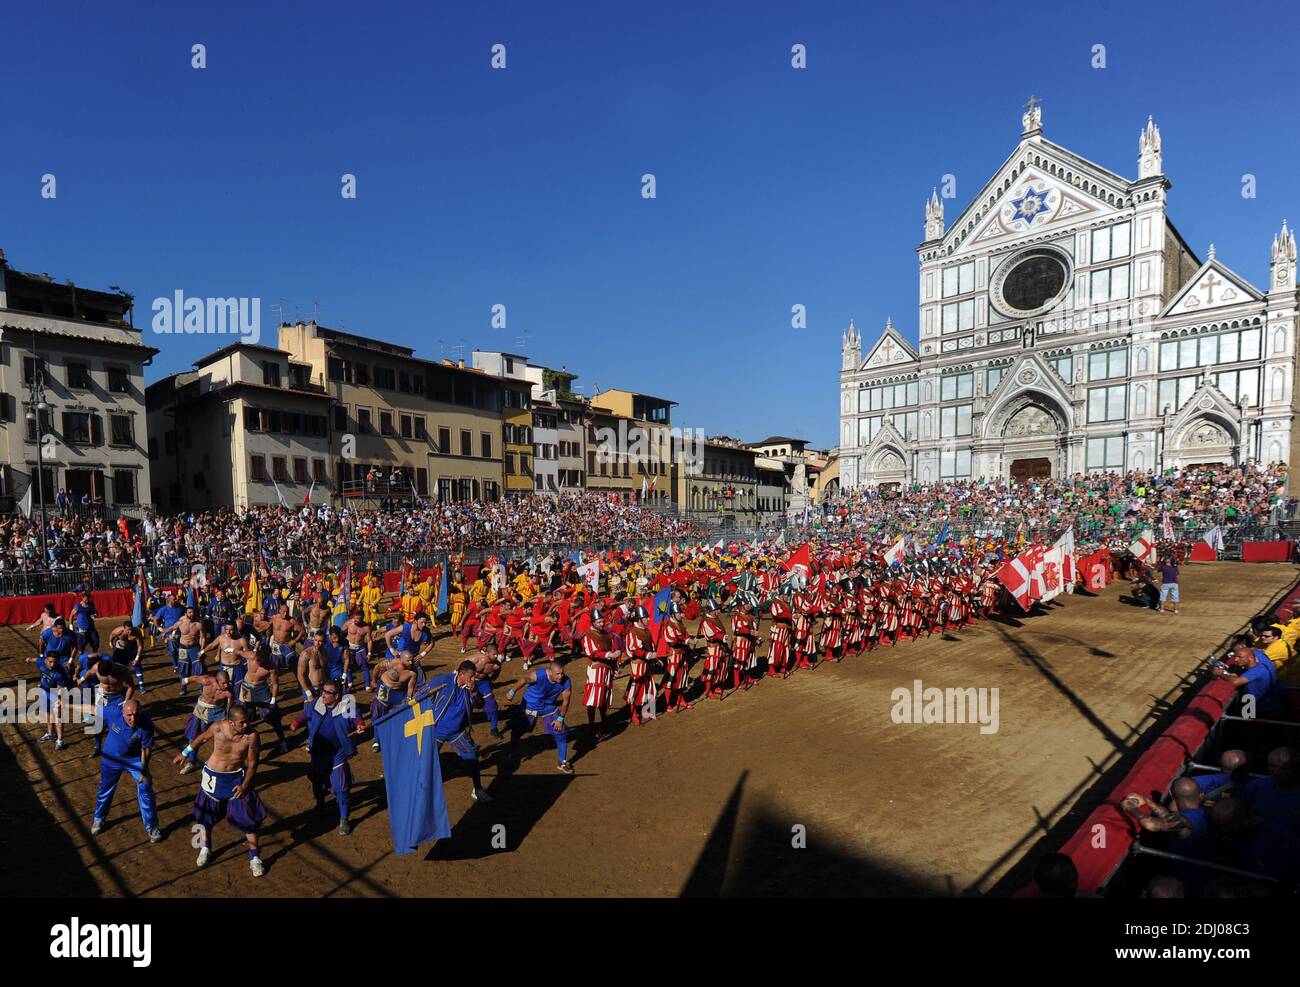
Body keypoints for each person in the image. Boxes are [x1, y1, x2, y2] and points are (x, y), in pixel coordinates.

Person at [174, 704, 268, 876]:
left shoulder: (252, 736)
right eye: (242, 722)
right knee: (204, 817)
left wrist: (245, 785)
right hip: (213, 779)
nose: (246, 725)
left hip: (235, 781)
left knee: (248, 820)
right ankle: (205, 848)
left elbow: (253, 763)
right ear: (230, 722)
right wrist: (185, 753)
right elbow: (201, 738)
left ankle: (255, 857)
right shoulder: (217, 727)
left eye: (247, 721)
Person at [290, 680, 364, 836]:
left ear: (337, 696)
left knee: (341, 785)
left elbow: (356, 717)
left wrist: (359, 724)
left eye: (327, 692)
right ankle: (320, 806)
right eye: (323, 691)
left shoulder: (346, 704)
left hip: (338, 751)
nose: (323, 694)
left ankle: (344, 818)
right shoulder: (318, 702)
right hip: (317, 751)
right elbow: (307, 713)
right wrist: (297, 722)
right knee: (317, 780)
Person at [413, 661, 494, 803]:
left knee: (472, 758)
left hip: (457, 732)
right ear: (461, 674)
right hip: (436, 730)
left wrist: (474, 692)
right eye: (471, 676)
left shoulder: (472, 688)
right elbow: (421, 694)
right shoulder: (443, 680)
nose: (473, 679)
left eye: (474, 676)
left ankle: (478, 789)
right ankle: (420, 789)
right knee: (426, 760)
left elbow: (480, 704)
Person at [91, 698, 162, 842]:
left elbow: (146, 749)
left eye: (136, 715)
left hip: (134, 760)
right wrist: (66, 705)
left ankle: (152, 827)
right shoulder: (113, 712)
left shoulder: (147, 724)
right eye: (129, 715)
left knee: (146, 786)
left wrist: (143, 770)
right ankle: (99, 818)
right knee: (105, 788)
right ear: (123, 713)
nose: (133, 718)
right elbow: (90, 708)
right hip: (111, 758)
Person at [503, 659, 574, 774]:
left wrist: (560, 719)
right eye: (558, 674)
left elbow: (566, 701)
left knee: (561, 731)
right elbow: (524, 680)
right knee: (518, 730)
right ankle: (511, 753)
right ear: (550, 672)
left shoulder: (566, 681)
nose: (560, 676)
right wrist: (512, 691)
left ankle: (563, 762)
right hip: (531, 705)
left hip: (548, 707)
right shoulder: (539, 675)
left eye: (562, 673)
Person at [1213, 635, 1285, 718]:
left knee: (1247, 725)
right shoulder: (1256, 660)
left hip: (1261, 708)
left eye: (1239, 657)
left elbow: (1236, 681)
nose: (1236, 659)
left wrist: (1221, 673)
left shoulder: (1256, 669)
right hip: (1260, 703)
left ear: (1250, 658)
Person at [179, 671, 233, 773]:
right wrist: (185, 681)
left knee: (223, 738)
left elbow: (229, 707)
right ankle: (191, 762)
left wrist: (227, 719)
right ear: (217, 681)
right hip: (202, 710)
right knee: (194, 737)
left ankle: (220, 763)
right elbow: (194, 678)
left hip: (219, 712)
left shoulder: (228, 692)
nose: (226, 685)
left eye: (227, 682)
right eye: (223, 683)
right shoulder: (207, 681)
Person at [579, 608, 620, 742]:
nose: (602, 624)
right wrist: (609, 655)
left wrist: (615, 666)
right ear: (593, 622)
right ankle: (592, 726)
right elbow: (592, 652)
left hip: (607, 669)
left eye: (603, 621)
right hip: (596, 671)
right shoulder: (588, 635)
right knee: (593, 699)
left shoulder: (606, 634)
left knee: (603, 698)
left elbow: (612, 649)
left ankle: (604, 722)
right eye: (599, 622)